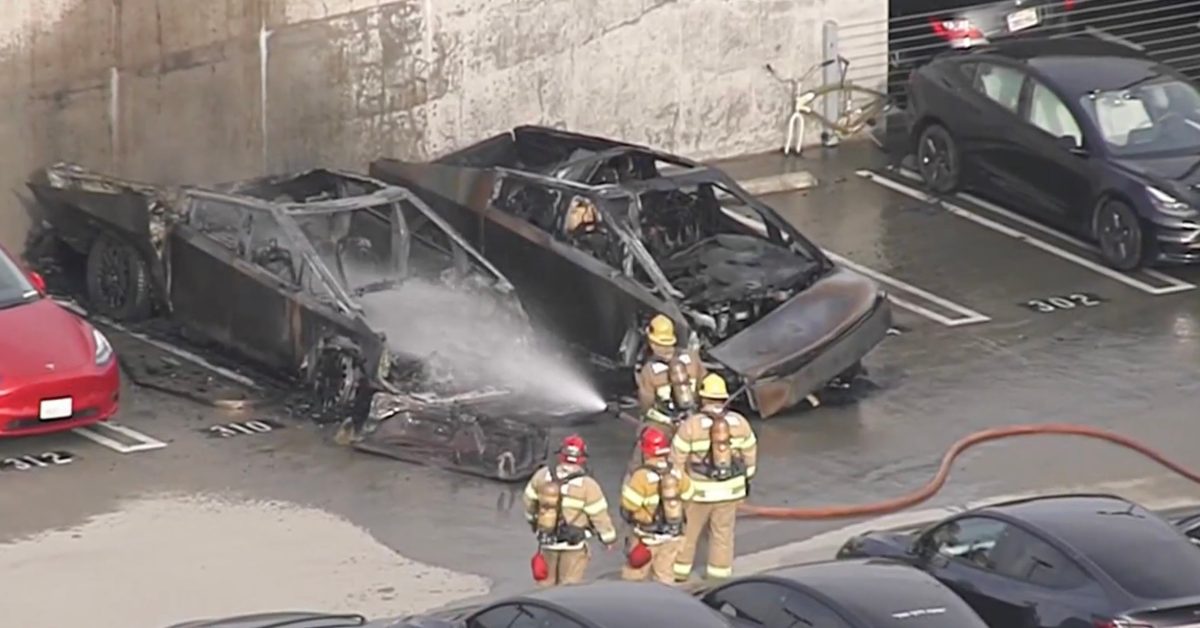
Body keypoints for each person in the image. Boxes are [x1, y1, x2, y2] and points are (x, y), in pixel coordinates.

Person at [670, 373, 757, 582]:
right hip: (730, 492)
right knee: (722, 535)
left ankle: (679, 574)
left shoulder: (691, 425)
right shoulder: (740, 423)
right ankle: (719, 577)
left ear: (703, 397)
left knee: (688, 534)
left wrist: (679, 490)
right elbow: (750, 456)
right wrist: (745, 483)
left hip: (699, 492)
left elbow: (676, 461)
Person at [523, 434, 617, 587]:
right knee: (569, 586)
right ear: (582, 458)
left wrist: (536, 523)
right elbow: (599, 515)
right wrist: (608, 539)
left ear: (561, 456)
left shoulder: (542, 475)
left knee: (544, 586)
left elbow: (528, 502)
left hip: (548, 542)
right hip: (574, 545)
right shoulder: (588, 485)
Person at [620, 427, 694, 584]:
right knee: (664, 574)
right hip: (672, 536)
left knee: (635, 575)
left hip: (646, 537)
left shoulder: (641, 476)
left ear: (645, 451)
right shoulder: (675, 471)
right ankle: (665, 603)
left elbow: (630, 505)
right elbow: (689, 494)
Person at [634, 314, 706, 434]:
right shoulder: (692, 358)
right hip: (696, 423)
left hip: (667, 428)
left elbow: (646, 404)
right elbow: (705, 384)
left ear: (652, 342)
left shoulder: (649, 371)